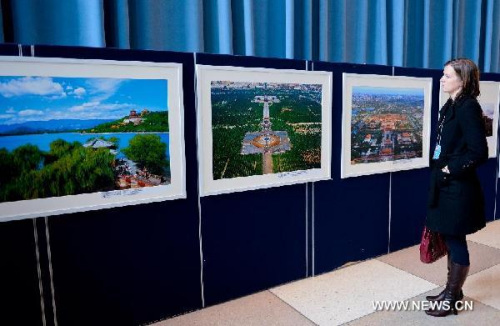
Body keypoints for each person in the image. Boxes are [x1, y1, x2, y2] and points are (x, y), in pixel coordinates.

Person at [425, 58, 488, 317]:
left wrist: (451, 169)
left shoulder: (467, 107)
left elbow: (479, 152)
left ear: (463, 80)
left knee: (455, 238)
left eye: (447, 76)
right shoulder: (452, 104)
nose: (442, 79)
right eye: (443, 74)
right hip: (445, 184)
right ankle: (453, 290)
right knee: (451, 238)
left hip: (458, 188)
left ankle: (451, 297)